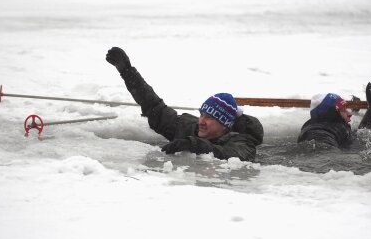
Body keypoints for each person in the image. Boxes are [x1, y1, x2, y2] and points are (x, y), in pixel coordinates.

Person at [106, 47, 263, 161]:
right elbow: (154, 107)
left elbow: (228, 154)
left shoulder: (244, 143)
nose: (201, 121)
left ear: (224, 124)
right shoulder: (189, 126)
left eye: (209, 118)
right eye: (201, 114)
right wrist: (127, 72)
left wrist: (192, 144)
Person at [297, 83, 371, 148]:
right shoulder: (317, 130)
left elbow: (361, 136)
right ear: (330, 113)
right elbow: (319, 144)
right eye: (343, 110)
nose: (349, 114)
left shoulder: (336, 128)